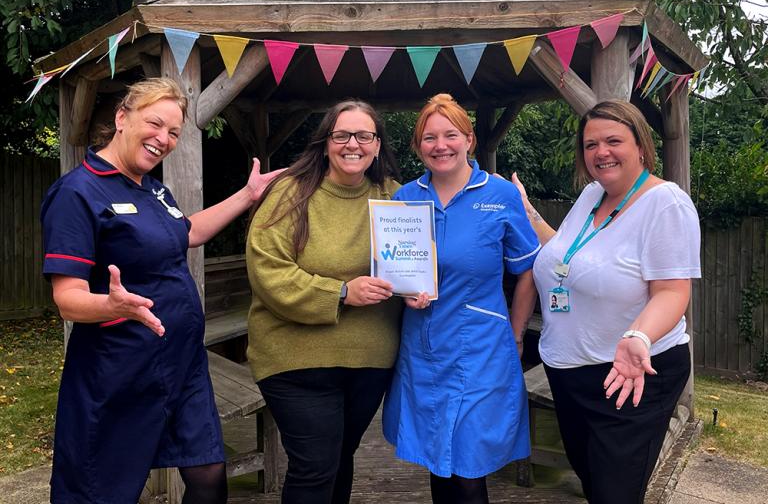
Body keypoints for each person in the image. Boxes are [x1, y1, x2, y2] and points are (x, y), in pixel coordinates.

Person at [41, 77, 283, 504]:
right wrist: (111, 303)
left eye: (173, 132)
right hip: (118, 371)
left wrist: (248, 196)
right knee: (104, 491)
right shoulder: (77, 192)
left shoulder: (152, 188)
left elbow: (186, 231)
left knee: (209, 474)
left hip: (182, 365)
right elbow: (67, 299)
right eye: (154, 124)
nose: (163, 139)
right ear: (121, 117)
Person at [513, 100, 701, 504]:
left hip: (629, 374)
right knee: (593, 482)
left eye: (613, 140)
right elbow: (567, 254)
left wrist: (639, 335)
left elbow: (672, 291)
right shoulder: (592, 196)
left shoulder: (664, 203)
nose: (601, 152)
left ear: (641, 146)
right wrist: (527, 213)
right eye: (590, 144)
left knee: (614, 493)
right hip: (570, 374)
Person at [382, 93, 541, 504]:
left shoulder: (500, 195)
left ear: (469, 139)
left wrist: (517, 331)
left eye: (451, 134)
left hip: (482, 349)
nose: (441, 145)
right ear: (418, 146)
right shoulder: (404, 199)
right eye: (429, 138)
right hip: (425, 347)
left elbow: (528, 270)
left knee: (469, 466)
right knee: (439, 459)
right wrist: (403, 294)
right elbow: (395, 271)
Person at [245, 100, 402, 504]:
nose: (353, 144)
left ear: (378, 145)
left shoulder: (395, 199)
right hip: (294, 359)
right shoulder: (290, 194)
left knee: (338, 459)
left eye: (364, 135)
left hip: (369, 359)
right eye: (342, 135)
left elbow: (425, 259)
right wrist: (342, 292)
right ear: (326, 142)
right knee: (315, 465)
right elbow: (269, 271)